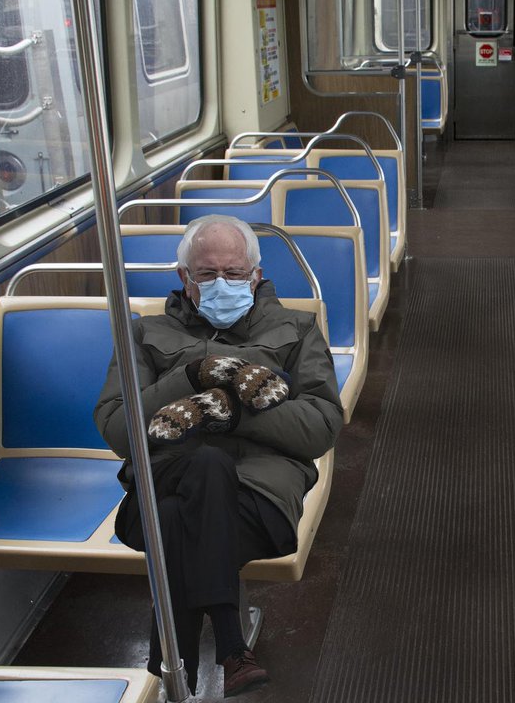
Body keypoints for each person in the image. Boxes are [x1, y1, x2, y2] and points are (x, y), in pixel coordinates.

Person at [94, 214, 342, 697]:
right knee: (201, 472)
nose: (221, 284)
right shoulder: (145, 334)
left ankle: (173, 662)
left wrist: (228, 414)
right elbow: (120, 430)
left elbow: (320, 428)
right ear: (185, 279)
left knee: (181, 505)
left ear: (256, 275)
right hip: (165, 481)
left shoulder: (296, 328)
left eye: (233, 273)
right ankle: (230, 645)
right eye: (207, 275)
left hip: (258, 496)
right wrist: (190, 377)